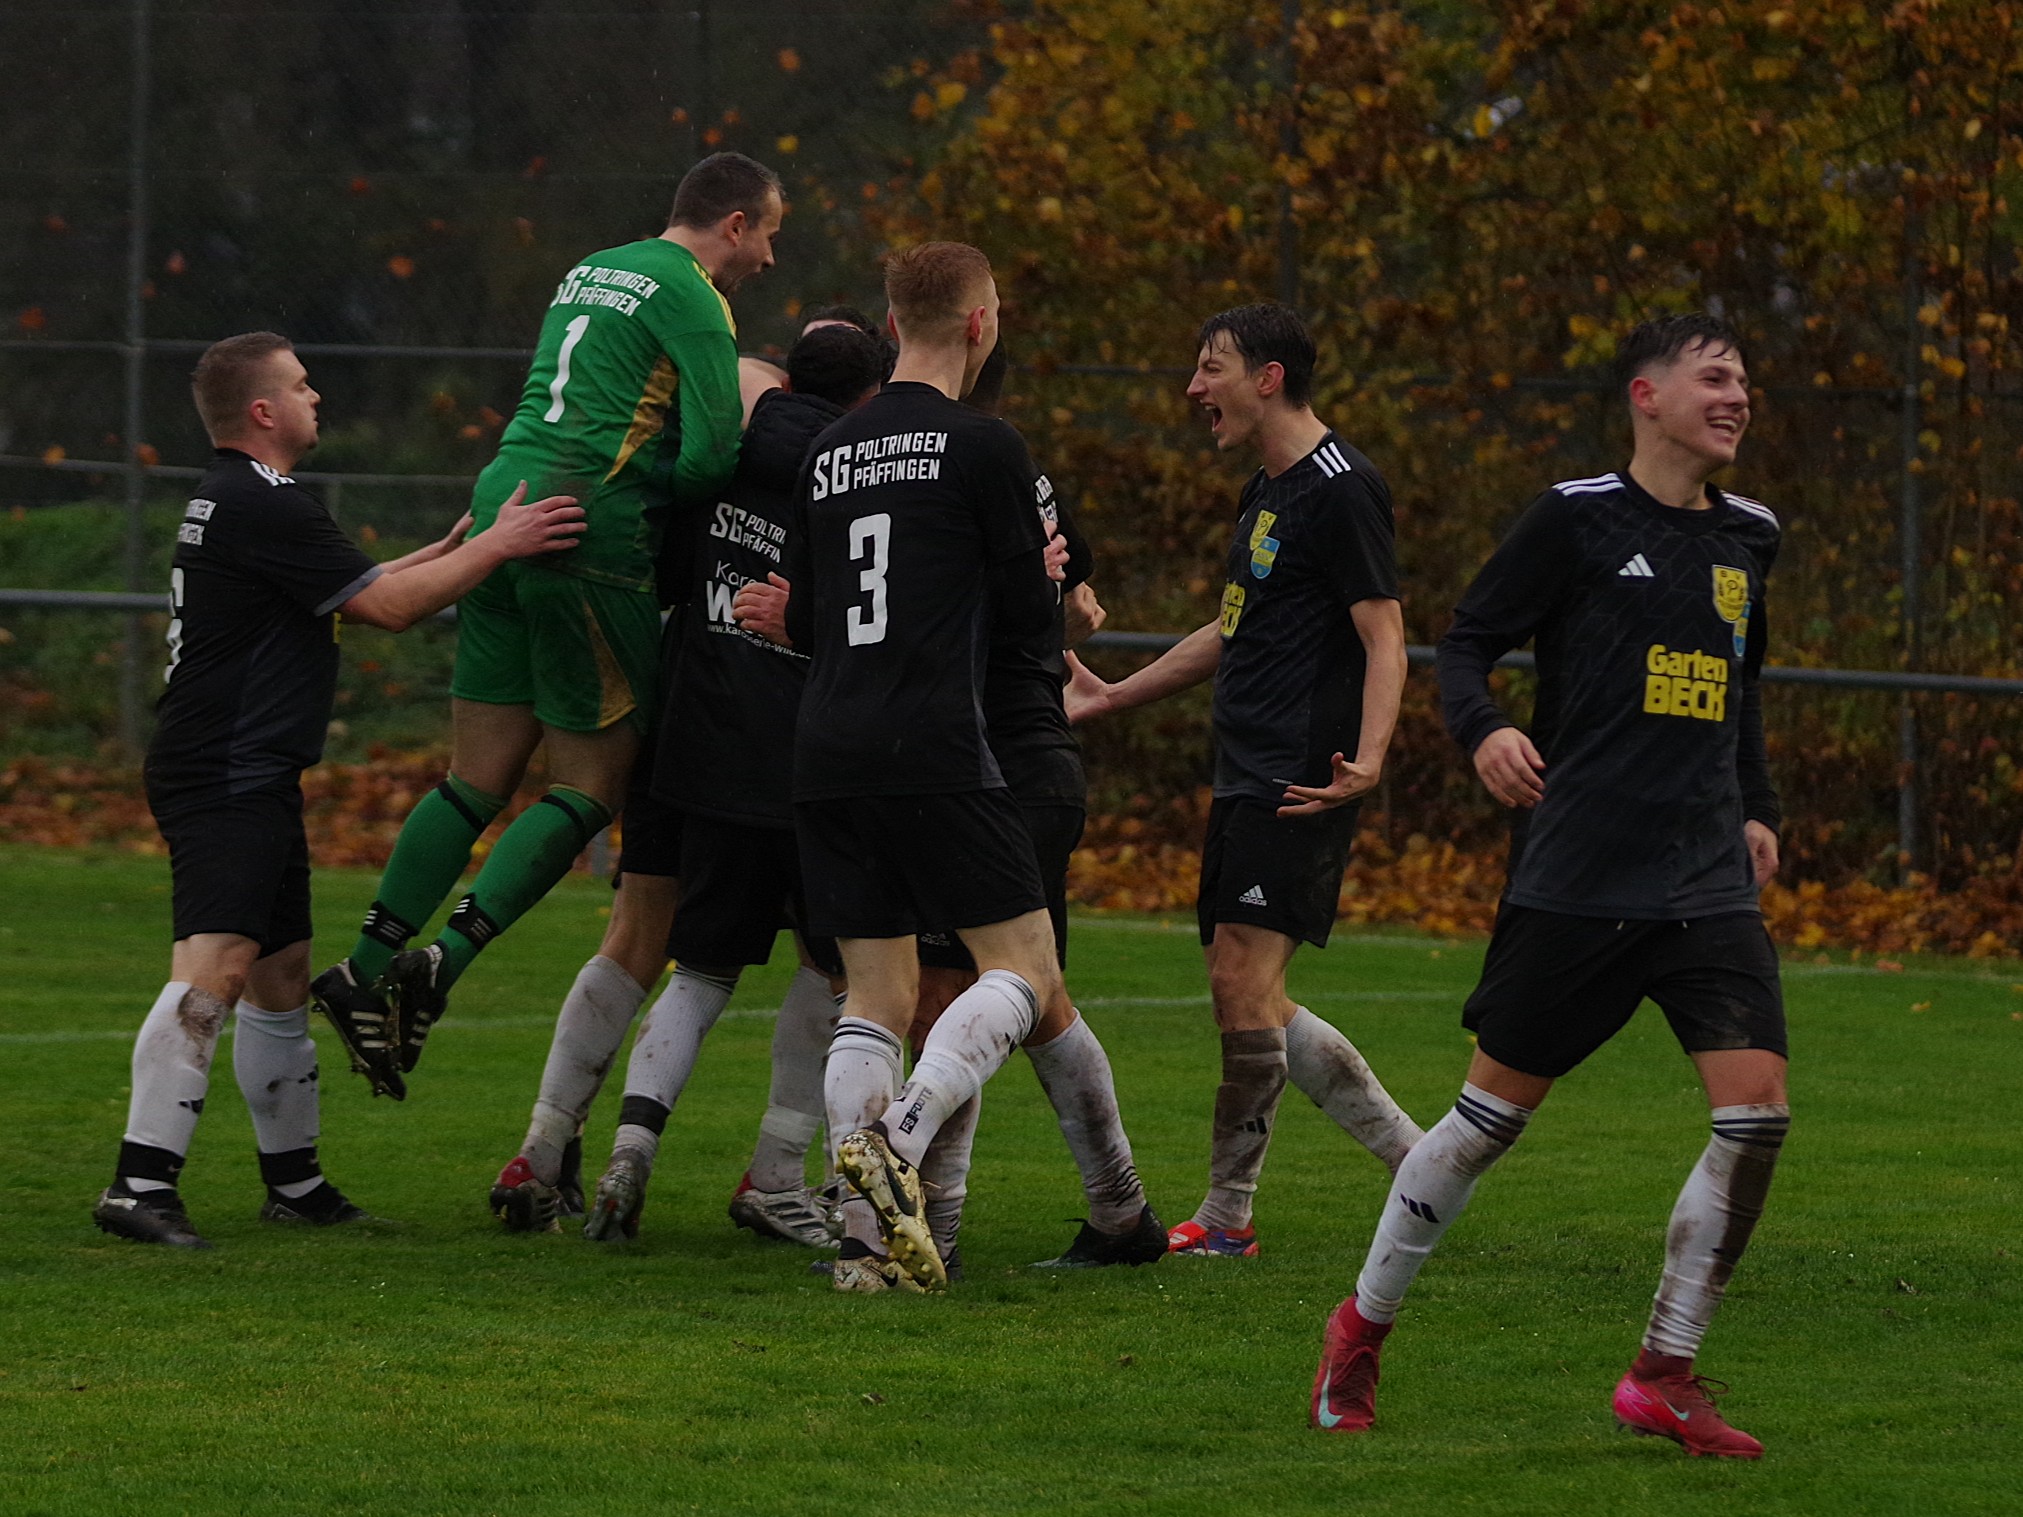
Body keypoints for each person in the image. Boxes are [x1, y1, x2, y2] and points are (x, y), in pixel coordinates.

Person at [1310, 314, 1787, 1460]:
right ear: (1647, 395)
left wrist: (1758, 804)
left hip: (1704, 876)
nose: (1738, 397)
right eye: (1715, 378)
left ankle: (1662, 1369)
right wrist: (1482, 730)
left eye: (1744, 381)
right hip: (1578, 874)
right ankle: (1360, 1325)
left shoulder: (1751, 536)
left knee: (1755, 1115)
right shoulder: (1576, 517)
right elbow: (1467, 640)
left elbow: (1743, 688)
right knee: (1482, 1128)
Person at [93, 332, 583, 1248]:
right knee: (217, 968)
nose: (317, 397)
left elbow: (353, 588)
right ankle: (138, 1185)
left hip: (252, 766)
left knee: (279, 978)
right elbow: (387, 613)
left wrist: (440, 553)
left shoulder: (241, 498)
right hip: (226, 770)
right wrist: (505, 545)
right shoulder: (265, 499)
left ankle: (298, 1184)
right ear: (263, 412)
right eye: (302, 385)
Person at [312, 152, 783, 1097]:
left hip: (505, 502)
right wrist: (654, 497)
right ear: (732, 224)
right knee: (592, 785)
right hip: (588, 530)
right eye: (769, 231)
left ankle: (363, 967)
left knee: (475, 778)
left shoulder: (591, 266)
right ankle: (439, 962)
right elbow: (709, 453)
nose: (770, 256)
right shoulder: (694, 296)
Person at [485, 323, 889, 1238]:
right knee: (841, 967)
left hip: (682, 741)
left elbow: (661, 569)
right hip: (789, 760)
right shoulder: (853, 480)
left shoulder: (713, 463)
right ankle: (777, 1172)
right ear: (867, 396)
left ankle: (550, 1150)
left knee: (651, 942)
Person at [746, 241, 1074, 1293]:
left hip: (827, 741)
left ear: (892, 328)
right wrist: (1031, 575)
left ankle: (860, 1249)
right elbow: (1029, 624)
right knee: (1022, 968)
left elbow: (804, 613)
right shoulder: (986, 447)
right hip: (935, 738)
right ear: (982, 322)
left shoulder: (829, 449)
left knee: (874, 994)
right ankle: (906, 1135)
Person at [1064, 302, 1422, 1258]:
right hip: (1245, 769)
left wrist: (1371, 758)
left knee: (1242, 980)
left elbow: (1384, 634)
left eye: (1209, 367)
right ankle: (1419, 1161)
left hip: (1301, 773)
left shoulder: (1343, 488)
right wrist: (1111, 698)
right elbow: (1232, 630)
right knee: (1246, 992)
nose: (1193, 389)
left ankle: (1227, 1217)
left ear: (1267, 377)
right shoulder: (1264, 492)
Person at [898, 337, 1164, 1274]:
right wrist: (1065, 609)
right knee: (1037, 994)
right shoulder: (1017, 480)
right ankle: (1122, 1214)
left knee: (946, 991)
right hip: (1031, 759)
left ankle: (931, 1223)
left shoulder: (954, 477)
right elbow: (1069, 580)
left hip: (993, 767)